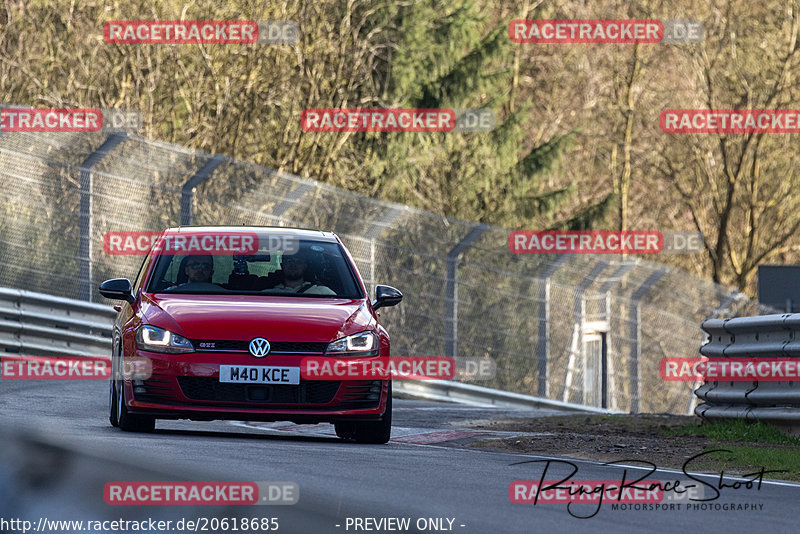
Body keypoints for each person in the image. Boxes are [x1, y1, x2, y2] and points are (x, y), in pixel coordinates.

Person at [270, 251, 335, 295]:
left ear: (305, 266)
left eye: (298, 261)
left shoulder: (324, 292)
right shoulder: (267, 294)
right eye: (289, 261)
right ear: (282, 265)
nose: (293, 265)